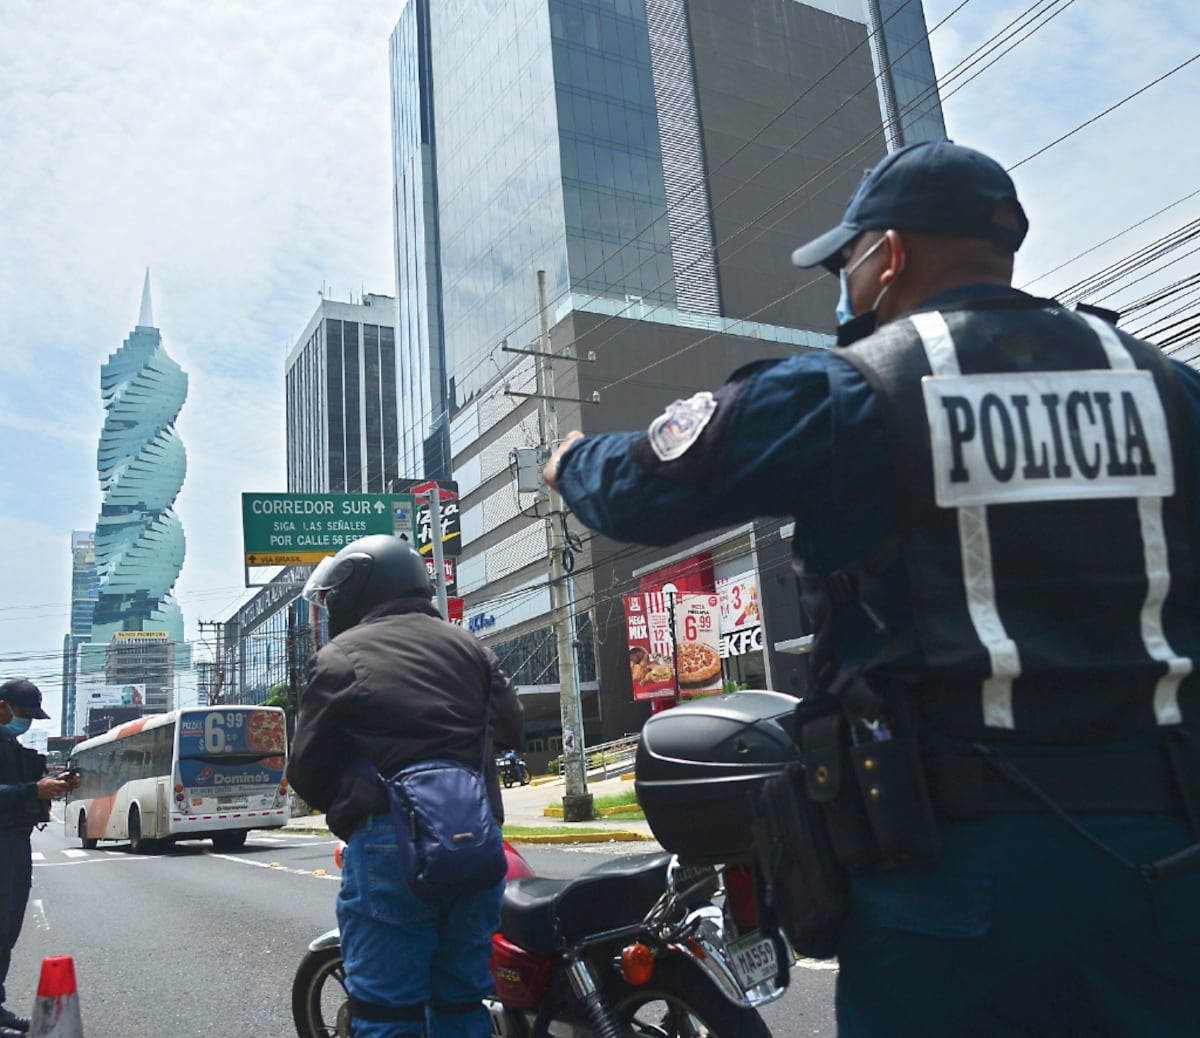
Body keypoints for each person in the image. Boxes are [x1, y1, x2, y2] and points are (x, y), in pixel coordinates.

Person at [543, 139, 1200, 1037]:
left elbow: (639, 491)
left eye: (846, 261)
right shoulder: (1169, 390)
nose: (844, 284)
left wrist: (569, 459)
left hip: (949, 880)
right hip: (1167, 866)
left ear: (887, 255)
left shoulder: (852, 391)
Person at [287, 535, 523, 1038]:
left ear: (361, 588)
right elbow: (513, 728)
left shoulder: (340, 656)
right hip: (474, 843)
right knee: (463, 1002)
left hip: (388, 843)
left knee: (388, 1013)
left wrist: (358, 810)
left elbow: (305, 769)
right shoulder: (470, 646)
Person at [0, 679, 79, 1038]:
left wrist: (52, 783)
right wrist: (33, 789)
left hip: (16, 840)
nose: (26, 721)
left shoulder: (10, 744)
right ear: (2, 706)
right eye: (22, 713)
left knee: (7, 928)